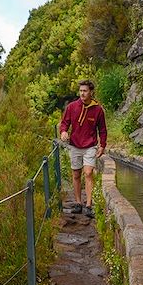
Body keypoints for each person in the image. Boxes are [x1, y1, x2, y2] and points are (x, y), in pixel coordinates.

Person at [59, 79, 107, 218]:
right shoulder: (72, 107)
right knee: (76, 174)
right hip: (74, 145)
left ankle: (88, 205)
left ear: (91, 92)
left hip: (90, 146)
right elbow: (64, 123)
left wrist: (102, 145)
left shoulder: (98, 110)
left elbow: (102, 130)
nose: (82, 93)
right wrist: (63, 132)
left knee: (88, 172)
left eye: (85, 91)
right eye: (80, 91)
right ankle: (78, 203)